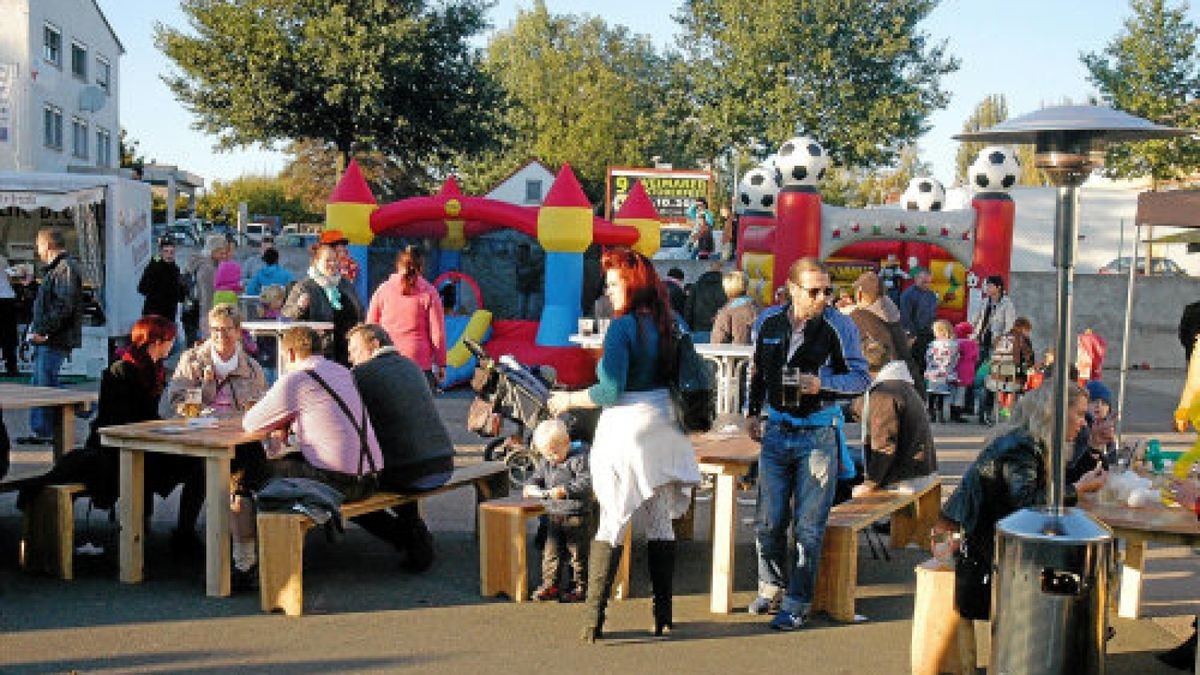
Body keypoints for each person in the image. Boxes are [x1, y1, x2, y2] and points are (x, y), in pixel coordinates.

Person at [546, 246, 701, 642]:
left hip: (627, 428)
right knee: (659, 518)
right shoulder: (672, 321)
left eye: (614, 283)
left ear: (631, 284)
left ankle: (592, 621)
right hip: (666, 424)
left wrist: (567, 400)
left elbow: (610, 390)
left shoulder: (622, 328)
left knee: (613, 520)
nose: (608, 291)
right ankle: (662, 616)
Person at [743, 257, 870, 630]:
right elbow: (758, 370)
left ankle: (797, 602)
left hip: (817, 434)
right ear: (792, 290)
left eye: (827, 290)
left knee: (808, 527)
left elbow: (861, 377)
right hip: (777, 430)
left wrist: (822, 384)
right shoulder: (768, 321)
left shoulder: (839, 325)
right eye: (814, 291)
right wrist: (753, 412)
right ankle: (770, 585)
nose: (823, 298)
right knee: (768, 520)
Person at [18, 316, 205, 553]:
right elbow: (123, 419)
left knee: (199, 465)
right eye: (170, 340)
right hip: (115, 449)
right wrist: (164, 427)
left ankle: (182, 531)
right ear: (156, 342)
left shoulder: (150, 368)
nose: (172, 345)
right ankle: (150, 533)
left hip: (141, 443)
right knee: (187, 466)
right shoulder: (123, 370)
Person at [935, 382, 1106, 621]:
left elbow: (1054, 484)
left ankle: (1072, 624)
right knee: (1072, 558)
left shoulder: (1032, 441)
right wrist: (1077, 489)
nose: (1083, 422)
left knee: (1073, 553)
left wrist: (1094, 448)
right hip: (976, 542)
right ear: (1054, 413)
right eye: (1078, 414)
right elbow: (1026, 504)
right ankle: (1066, 628)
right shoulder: (1022, 446)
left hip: (989, 532)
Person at [235, 326, 383, 589]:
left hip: (338, 482)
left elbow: (251, 423)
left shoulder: (296, 380)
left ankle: (245, 564)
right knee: (288, 463)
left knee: (245, 475)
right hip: (371, 476)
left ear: (289, 353)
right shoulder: (341, 372)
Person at [345, 323, 455, 572]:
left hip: (407, 470)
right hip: (442, 461)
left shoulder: (362, 376)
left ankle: (409, 539)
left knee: (349, 496)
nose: (350, 357)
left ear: (374, 344)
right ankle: (416, 537)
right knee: (401, 463)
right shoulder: (412, 366)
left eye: (353, 350)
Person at [20, 227, 84, 445]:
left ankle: (86, 404)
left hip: (55, 337)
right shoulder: (57, 269)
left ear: (47, 245)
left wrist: (44, 331)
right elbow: (51, 301)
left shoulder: (64, 268)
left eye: (38, 245)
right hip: (52, 335)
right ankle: (42, 429)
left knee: (45, 384)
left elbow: (63, 306)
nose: (37, 250)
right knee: (42, 381)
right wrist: (31, 287)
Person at [849, 340, 937, 497]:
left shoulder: (883, 395)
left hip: (904, 479)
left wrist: (870, 484)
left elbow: (884, 444)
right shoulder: (900, 384)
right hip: (919, 471)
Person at [523, 418, 593, 603]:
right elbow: (537, 477)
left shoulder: (579, 459)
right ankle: (550, 584)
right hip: (554, 515)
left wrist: (565, 490)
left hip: (575, 514)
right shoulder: (547, 462)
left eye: (554, 453)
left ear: (567, 443)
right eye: (547, 455)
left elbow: (586, 483)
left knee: (577, 554)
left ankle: (579, 586)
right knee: (551, 553)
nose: (552, 458)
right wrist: (531, 487)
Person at [162, 303, 268, 419]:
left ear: (238, 332)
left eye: (227, 329)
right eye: (215, 329)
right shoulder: (191, 361)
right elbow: (177, 399)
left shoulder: (252, 368)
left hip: (236, 432)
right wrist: (205, 398)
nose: (220, 335)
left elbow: (262, 404)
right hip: (199, 431)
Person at [365, 245, 445, 390]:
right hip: (419, 361)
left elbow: (370, 326)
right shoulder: (429, 292)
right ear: (421, 267)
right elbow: (437, 334)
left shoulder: (383, 289)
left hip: (387, 358)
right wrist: (441, 363)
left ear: (397, 265)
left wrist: (368, 356)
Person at [283, 242, 363, 366]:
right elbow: (286, 315)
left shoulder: (345, 284)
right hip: (319, 353)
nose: (333, 264)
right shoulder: (304, 287)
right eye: (328, 261)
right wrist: (299, 307)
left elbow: (360, 311)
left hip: (349, 352)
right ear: (316, 262)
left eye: (335, 260)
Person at [848, 271, 921, 389]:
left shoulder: (859, 316)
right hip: (906, 378)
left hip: (883, 382)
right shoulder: (888, 306)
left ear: (860, 293)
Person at [970, 274, 1016, 423]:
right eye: (987, 286)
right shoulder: (985, 302)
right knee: (978, 377)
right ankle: (975, 410)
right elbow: (976, 320)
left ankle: (986, 412)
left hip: (996, 347)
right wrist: (974, 334)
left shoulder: (1006, 304)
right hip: (981, 344)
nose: (987, 288)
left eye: (990, 286)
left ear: (999, 287)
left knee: (991, 379)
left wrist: (1002, 340)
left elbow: (1010, 325)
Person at [137, 238, 187, 334]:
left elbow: (180, 296)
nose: (169, 255)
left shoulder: (175, 269)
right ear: (161, 252)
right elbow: (142, 288)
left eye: (171, 252)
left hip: (169, 317)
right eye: (166, 251)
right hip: (154, 316)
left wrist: (183, 288)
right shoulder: (154, 267)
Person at [188, 234, 229, 337]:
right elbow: (208, 297)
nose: (224, 256)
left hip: (200, 314)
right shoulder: (207, 268)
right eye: (221, 253)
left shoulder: (205, 264)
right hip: (207, 315)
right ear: (213, 251)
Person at [899, 266, 938, 373]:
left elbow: (933, 314)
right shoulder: (907, 295)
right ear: (916, 279)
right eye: (924, 282)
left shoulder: (931, 295)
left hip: (930, 334)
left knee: (926, 363)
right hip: (915, 336)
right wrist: (912, 335)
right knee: (914, 364)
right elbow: (905, 317)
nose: (927, 285)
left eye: (929, 282)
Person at [710, 270, 759, 345]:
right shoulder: (758, 308)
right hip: (757, 354)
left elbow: (718, 341)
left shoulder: (726, 312)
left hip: (735, 354)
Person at [924, 319, 959, 424]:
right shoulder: (953, 345)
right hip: (945, 373)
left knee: (931, 394)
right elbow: (955, 359)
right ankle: (940, 415)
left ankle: (931, 414)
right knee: (940, 395)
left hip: (932, 372)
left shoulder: (933, 345)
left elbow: (927, 357)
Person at [685, 259, 726, 343]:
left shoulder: (696, 286)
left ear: (709, 267)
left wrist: (688, 328)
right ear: (722, 268)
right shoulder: (727, 286)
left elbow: (688, 309)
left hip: (699, 328)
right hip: (720, 330)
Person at [951, 321, 980, 423]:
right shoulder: (972, 344)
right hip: (967, 370)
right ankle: (957, 414)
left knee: (953, 392)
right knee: (961, 393)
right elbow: (976, 358)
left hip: (954, 370)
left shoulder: (954, 342)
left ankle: (952, 413)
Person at [0, 253, 19, 376]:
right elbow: (12, 277)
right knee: (9, 335)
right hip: (8, 298)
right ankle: (11, 367)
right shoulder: (2, 259)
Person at [515, 242, 544, 320]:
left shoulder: (534, 261)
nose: (520, 254)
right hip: (524, 289)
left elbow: (539, 270)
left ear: (527, 252)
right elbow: (520, 273)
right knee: (521, 310)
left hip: (533, 289)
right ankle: (522, 326)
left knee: (532, 311)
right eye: (520, 252)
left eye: (522, 252)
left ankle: (530, 327)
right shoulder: (519, 262)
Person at [212, 243, 243, 307]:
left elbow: (216, 282)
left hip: (218, 295)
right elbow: (238, 283)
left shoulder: (221, 266)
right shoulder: (236, 266)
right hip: (232, 295)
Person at [1179, 298, 1200, 366]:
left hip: (1191, 347)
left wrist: (1187, 344)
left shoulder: (1190, 308)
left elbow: (1182, 332)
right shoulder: (1190, 309)